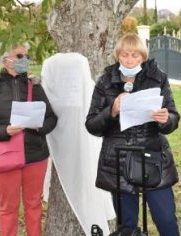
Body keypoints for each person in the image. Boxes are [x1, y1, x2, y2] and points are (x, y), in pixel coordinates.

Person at [85, 33, 180, 236]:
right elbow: (92, 125)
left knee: (166, 219)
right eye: (125, 55)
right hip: (118, 159)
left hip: (152, 157)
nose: (129, 60)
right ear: (117, 55)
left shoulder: (157, 77)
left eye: (135, 55)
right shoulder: (105, 82)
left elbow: (173, 117)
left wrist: (166, 119)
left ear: (143, 57)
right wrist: (111, 111)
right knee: (127, 226)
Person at [0, 44, 58, 236]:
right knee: (8, 208)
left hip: (35, 156)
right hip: (5, 155)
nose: (24, 60)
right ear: (5, 60)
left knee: (34, 205)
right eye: (19, 56)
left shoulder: (34, 85)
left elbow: (51, 118)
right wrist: (5, 130)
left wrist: (38, 126)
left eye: (25, 56)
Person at [41, 53, 116, 235]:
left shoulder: (91, 95)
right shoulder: (52, 101)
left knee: (86, 171)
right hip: (61, 140)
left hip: (85, 145)